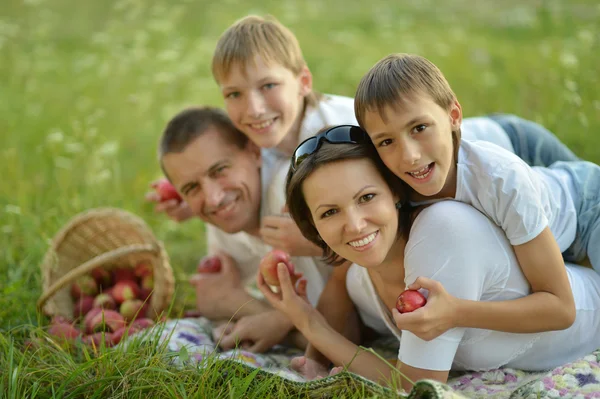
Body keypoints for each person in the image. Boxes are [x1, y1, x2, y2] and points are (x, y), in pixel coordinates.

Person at [257, 125, 600, 392]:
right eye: (329, 211)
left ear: (394, 190)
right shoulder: (362, 271)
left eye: (366, 197)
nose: (354, 224)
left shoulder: (442, 232)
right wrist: (312, 347)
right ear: (312, 226)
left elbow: (411, 384)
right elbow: (344, 301)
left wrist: (307, 322)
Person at [352, 53, 600, 339]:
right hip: (535, 239)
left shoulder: (499, 180)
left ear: (454, 116)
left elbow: (561, 309)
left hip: (587, 207)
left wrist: (455, 312)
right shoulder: (391, 191)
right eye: (386, 141)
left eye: (419, 128)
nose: (409, 156)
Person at [157, 106, 332, 352]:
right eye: (192, 188)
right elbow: (215, 300)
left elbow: (342, 334)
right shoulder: (225, 220)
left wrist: (244, 306)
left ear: (254, 152)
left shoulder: (295, 191)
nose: (214, 198)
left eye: (219, 170)